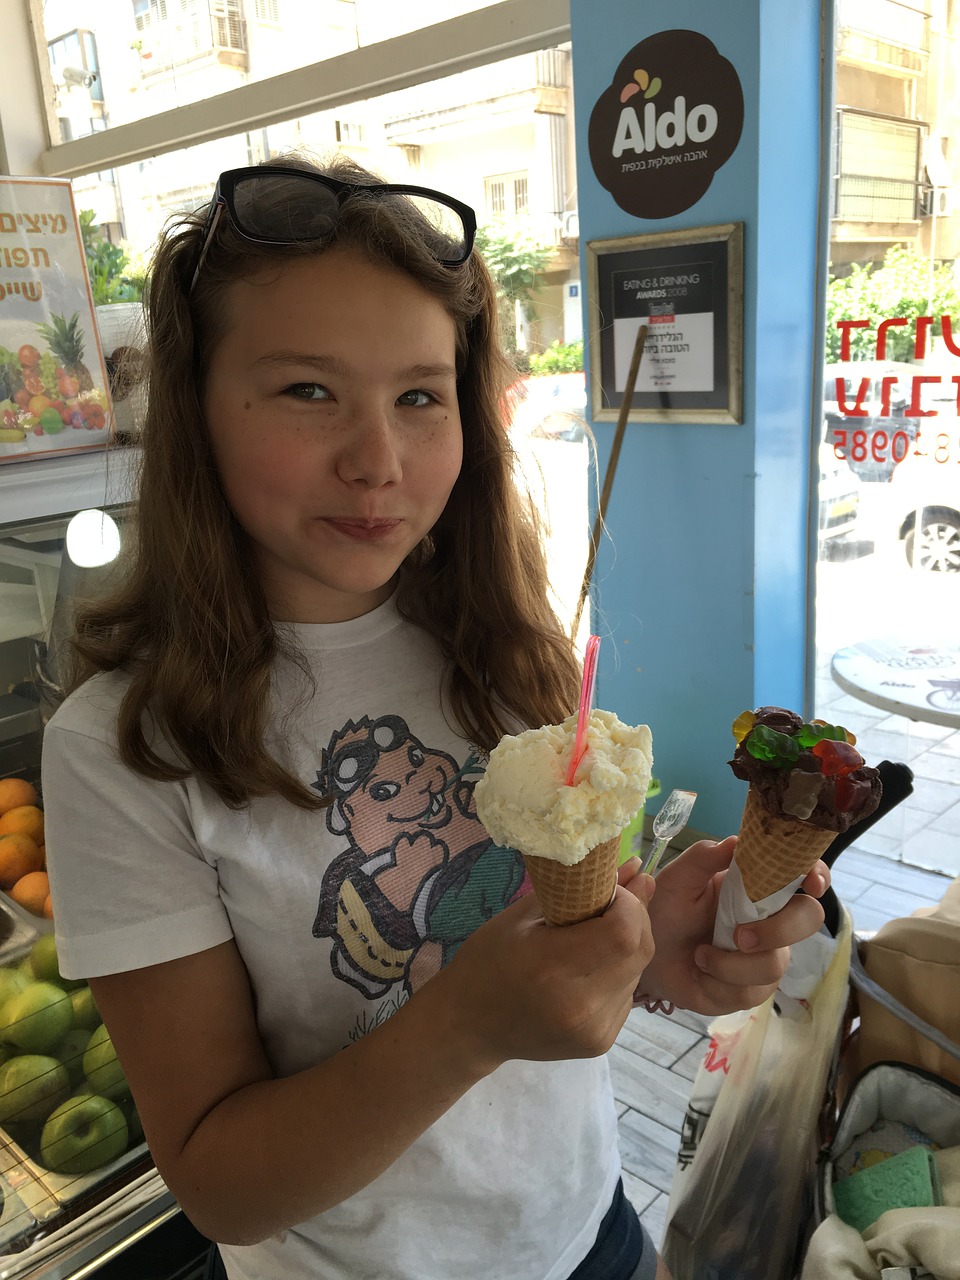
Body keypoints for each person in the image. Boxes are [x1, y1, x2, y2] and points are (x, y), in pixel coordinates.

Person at [42, 154, 830, 1280]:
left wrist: (656, 945)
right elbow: (216, 1179)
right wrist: (467, 1020)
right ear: (196, 408)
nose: (378, 462)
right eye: (309, 390)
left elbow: (550, 957)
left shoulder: (506, 652)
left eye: (420, 395)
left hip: (592, 1232)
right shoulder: (125, 749)